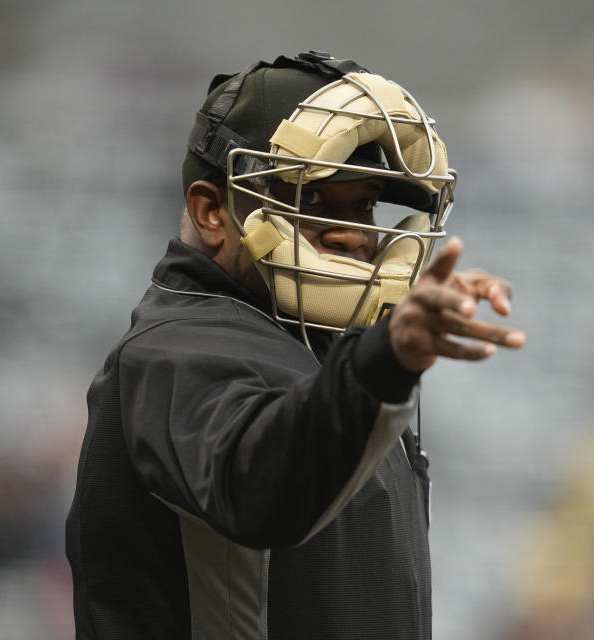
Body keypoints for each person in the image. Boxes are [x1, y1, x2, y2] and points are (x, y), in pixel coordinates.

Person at [65, 51, 526, 640]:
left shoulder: (325, 355)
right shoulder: (174, 351)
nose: (352, 233)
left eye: (363, 204)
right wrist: (385, 361)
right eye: (310, 198)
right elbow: (262, 490)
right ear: (212, 212)